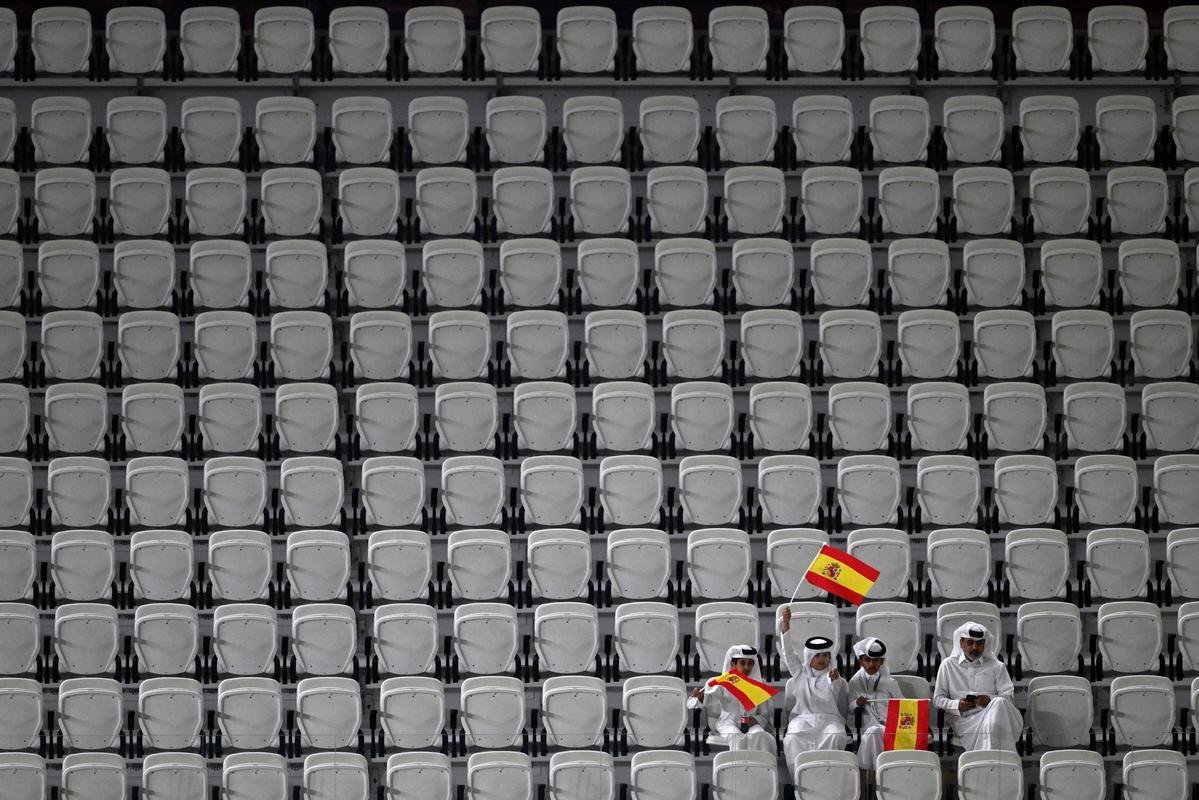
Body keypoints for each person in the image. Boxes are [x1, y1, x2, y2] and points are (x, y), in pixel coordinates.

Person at [932, 622, 1024, 752]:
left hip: (995, 716)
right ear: (961, 643)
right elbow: (937, 699)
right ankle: (1000, 763)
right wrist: (957, 705)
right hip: (963, 720)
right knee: (995, 726)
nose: (975, 647)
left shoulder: (997, 666)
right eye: (970, 642)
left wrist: (989, 700)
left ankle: (986, 763)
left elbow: (1008, 699)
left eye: (979, 643)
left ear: (984, 645)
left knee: (998, 706)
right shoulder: (948, 665)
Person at [782, 631, 849, 774]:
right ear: (809, 657)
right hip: (802, 719)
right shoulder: (799, 672)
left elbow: (836, 688)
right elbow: (788, 653)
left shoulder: (835, 676)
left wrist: (834, 679)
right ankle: (799, 780)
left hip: (829, 720)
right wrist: (786, 630)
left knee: (837, 735)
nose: (822, 659)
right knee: (793, 738)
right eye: (817, 655)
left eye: (825, 655)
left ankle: (828, 776)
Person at [687, 643, 775, 753]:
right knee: (735, 736)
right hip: (728, 722)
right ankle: (738, 768)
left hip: (751, 722)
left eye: (750, 664)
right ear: (733, 664)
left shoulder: (760, 684)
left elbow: (765, 713)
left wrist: (756, 720)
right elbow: (703, 700)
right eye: (742, 663)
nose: (747, 667)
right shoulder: (722, 682)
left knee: (760, 735)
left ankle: (761, 768)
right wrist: (700, 697)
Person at [847, 637, 902, 770]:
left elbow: (902, 704)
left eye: (876, 660)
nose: (871, 664)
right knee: (874, 732)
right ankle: (878, 771)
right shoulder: (855, 682)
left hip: (891, 725)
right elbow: (848, 708)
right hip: (869, 726)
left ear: (882, 661)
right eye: (867, 660)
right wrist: (856, 703)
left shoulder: (890, 682)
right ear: (861, 661)